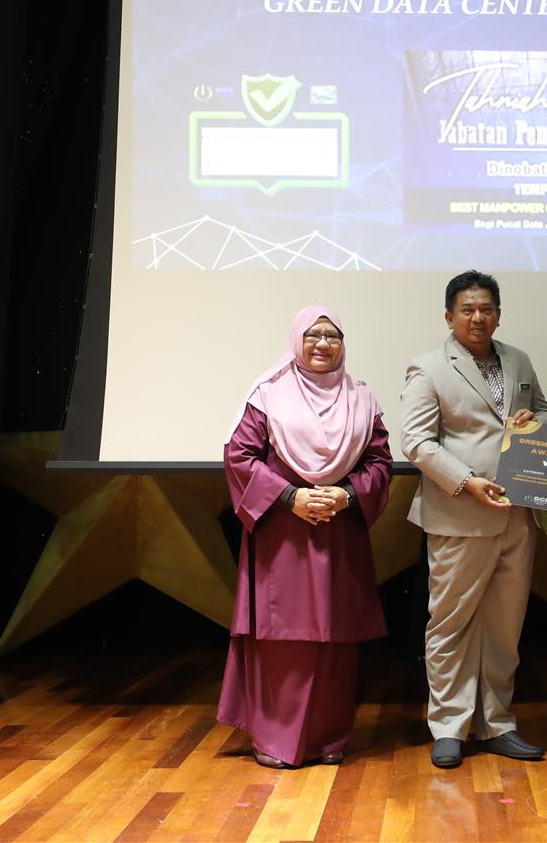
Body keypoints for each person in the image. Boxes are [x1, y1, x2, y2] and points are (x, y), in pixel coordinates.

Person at [217, 305, 392, 768]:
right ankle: (276, 742)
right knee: (284, 640)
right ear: (297, 340)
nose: (322, 344)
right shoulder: (268, 394)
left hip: (338, 532)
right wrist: (290, 497)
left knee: (336, 640)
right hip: (284, 534)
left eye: (332, 336)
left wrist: (347, 495)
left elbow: (379, 462)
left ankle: (329, 739)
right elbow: (239, 457)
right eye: (313, 335)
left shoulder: (362, 398)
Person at [399, 270, 547, 769]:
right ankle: (449, 726)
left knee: (505, 629)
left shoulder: (519, 360)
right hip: (460, 515)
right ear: (450, 316)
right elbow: (416, 442)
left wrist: (535, 424)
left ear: (499, 315)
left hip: (519, 515)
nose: (478, 317)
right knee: (451, 625)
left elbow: (546, 414)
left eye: (486, 309)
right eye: (467, 309)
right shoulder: (427, 367)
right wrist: (467, 481)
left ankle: (497, 724)